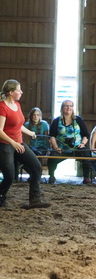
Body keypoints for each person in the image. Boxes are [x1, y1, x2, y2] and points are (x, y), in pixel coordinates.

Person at [0, 79, 51, 209]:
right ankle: (1, 196)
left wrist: (29, 132)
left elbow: (18, 125)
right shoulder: (2, 107)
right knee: (10, 176)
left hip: (19, 143)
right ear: (11, 92)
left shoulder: (17, 105)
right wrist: (13, 143)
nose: (21, 92)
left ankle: (35, 200)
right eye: (18, 90)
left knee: (36, 167)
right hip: (5, 145)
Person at [48, 100, 93, 185]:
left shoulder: (78, 120)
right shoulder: (57, 121)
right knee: (52, 156)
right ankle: (51, 176)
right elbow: (52, 136)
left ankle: (86, 177)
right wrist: (56, 147)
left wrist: (82, 144)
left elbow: (86, 135)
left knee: (87, 153)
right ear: (62, 108)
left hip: (77, 147)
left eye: (70, 106)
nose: (69, 108)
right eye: (66, 106)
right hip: (61, 148)